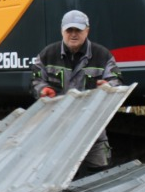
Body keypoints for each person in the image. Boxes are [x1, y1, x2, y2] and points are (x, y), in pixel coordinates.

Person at [30, 9, 123, 169]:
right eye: (69, 30)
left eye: (78, 30)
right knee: (57, 177)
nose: (73, 34)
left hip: (93, 132)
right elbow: (35, 80)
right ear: (62, 31)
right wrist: (42, 90)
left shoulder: (102, 55)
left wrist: (108, 88)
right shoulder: (47, 54)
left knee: (100, 176)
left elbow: (116, 81)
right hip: (57, 132)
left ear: (87, 30)